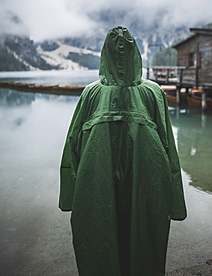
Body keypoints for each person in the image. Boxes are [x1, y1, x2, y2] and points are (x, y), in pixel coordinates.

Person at [59, 26, 187, 276]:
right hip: (146, 185)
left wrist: (69, 197)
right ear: (135, 54)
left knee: (100, 238)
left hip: (97, 185)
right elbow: (169, 149)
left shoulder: (91, 93)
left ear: (103, 54)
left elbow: (71, 147)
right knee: (143, 242)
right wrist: (176, 203)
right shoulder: (153, 93)